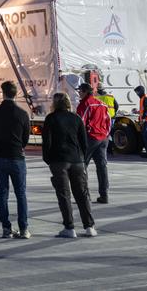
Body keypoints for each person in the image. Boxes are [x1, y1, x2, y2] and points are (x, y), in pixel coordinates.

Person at [42, 92, 96, 238]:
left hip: (59, 160)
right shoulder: (76, 118)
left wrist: (48, 159)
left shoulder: (51, 118)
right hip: (77, 160)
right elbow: (84, 143)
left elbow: (47, 142)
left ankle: (69, 227)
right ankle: (89, 226)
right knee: (82, 193)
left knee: (64, 194)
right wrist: (82, 159)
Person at [0, 80, 31, 240]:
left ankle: (6, 228)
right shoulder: (22, 114)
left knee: (2, 193)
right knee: (21, 194)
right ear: (16, 93)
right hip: (17, 156)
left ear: (2, 93)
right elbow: (26, 137)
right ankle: (24, 229)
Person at [76, 83, 111, 204]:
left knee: (82, 166)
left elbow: (80, 123)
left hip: (90, 138)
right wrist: (106, 134)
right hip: (103, 138)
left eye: (80, 91)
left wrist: (78, 139)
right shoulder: (102, 103)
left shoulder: (85, 104)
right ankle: (104, 194)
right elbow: (108, 120)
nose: (79, 93)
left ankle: (85, 195)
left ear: (85, 91)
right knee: (102, 166)